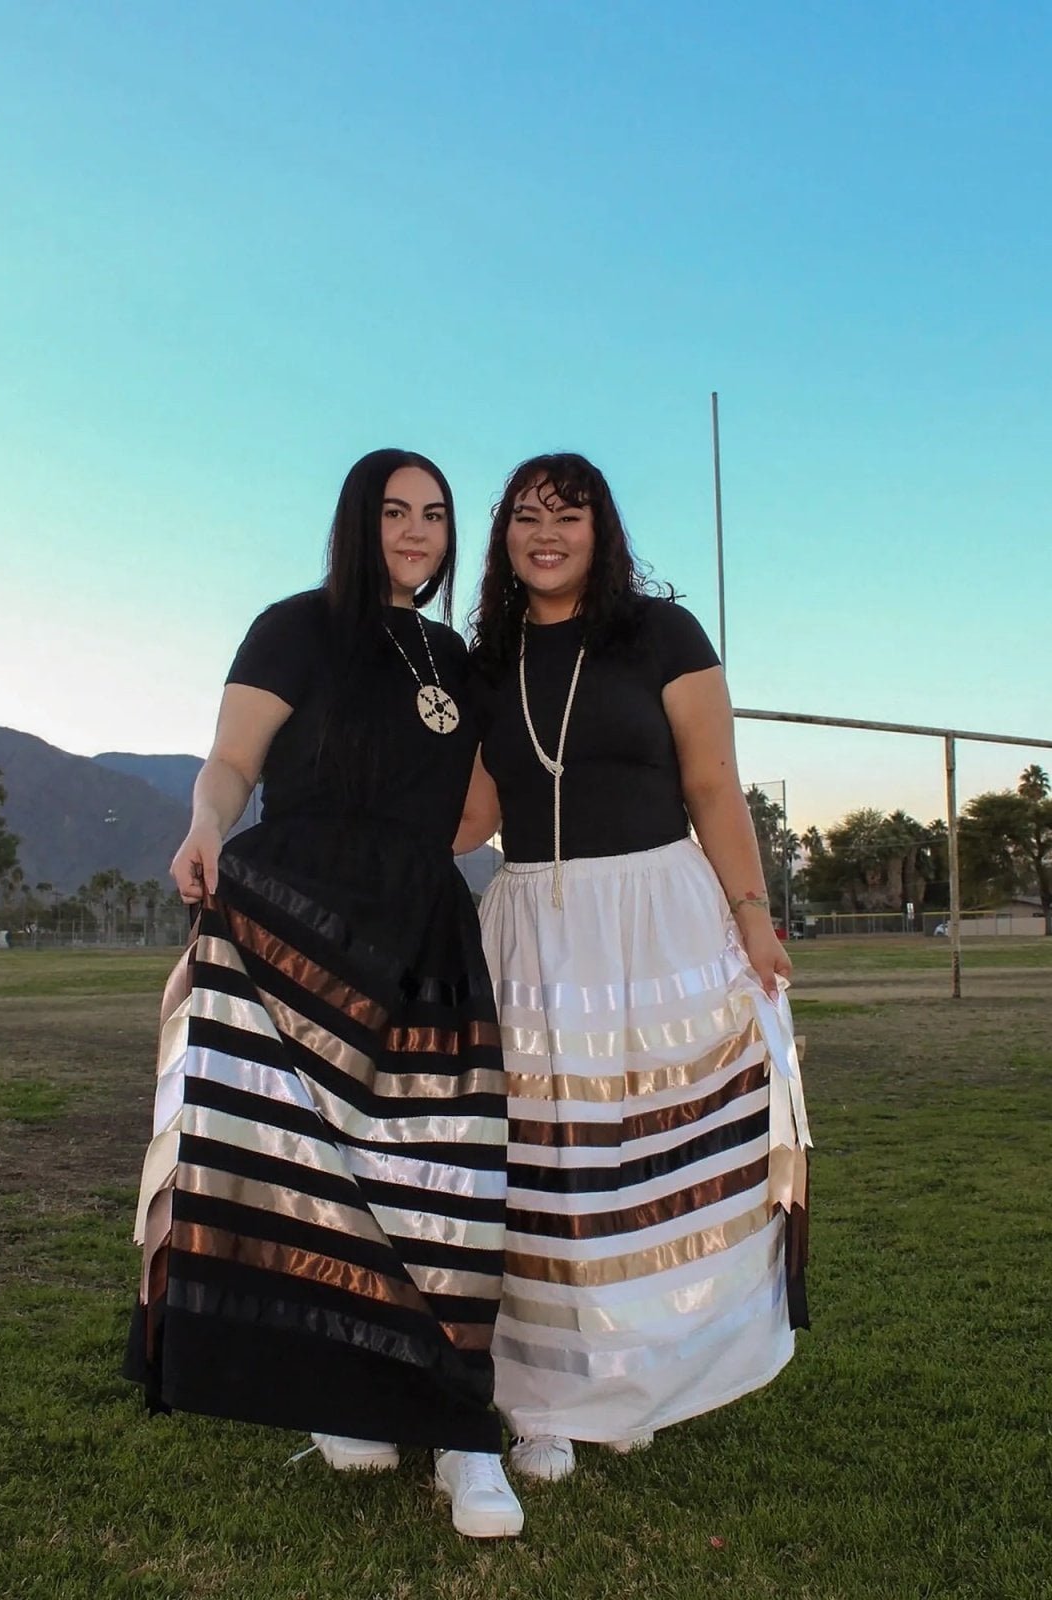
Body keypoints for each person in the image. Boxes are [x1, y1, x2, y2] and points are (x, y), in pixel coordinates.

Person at [125, 449, 523, 1538]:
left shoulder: (453, 656)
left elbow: (478, 813)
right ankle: (342, 1390)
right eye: (394, 511)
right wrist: (206, 825)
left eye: (434, 514)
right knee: (307, 1163)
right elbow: (228, 764)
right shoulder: (292, 625)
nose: (415, 530)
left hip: (421, 922)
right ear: (358, 521)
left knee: (442, 1165)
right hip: (295, 918)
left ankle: (460, 1436)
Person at [456, 452, 811, 1482]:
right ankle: (543, 1400)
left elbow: (712, 784)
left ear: (601, 531)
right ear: (504, 538)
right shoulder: (489, 660)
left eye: (567, 515)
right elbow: (475, 816)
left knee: (653, 1150)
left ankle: (646, 1371)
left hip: (657, 913)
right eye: (525, 516)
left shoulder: (663, 634)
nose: (545, 532)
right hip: (529, 921)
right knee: (546, 1166)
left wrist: (751, 915)